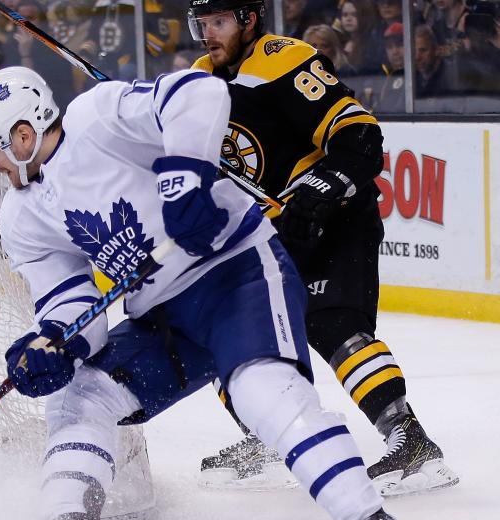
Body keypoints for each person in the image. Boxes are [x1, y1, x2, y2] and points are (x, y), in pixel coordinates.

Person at [0, 65, 433, 520]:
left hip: (237, 273)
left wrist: (184, 179)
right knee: (81, 394)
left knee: (260, 390)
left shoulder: (96, 117)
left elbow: (198, 91)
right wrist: (55, 343)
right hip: (164, 317)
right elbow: (76, 310)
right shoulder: (21, 214)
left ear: (22, 135)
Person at [186, 0, 457, 495]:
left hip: (335, 219)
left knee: (335, 326)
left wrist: (323, 184)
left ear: (249, 20)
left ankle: (411, 440)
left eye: (219, 22)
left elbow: (359, 135)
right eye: (202, 24)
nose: (208, 34)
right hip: (272, 235)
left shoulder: (284, 59)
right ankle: (266, 437)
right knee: (225, 333)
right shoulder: (199, 78)